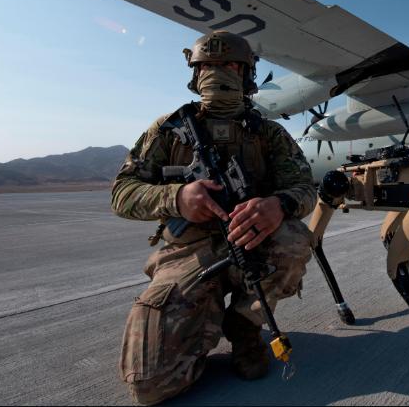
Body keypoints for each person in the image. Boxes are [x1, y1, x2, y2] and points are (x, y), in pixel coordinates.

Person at [111, 31, 317, 405]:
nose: (219, 73)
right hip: (188, 250)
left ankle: (244, 326)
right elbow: (122, 193)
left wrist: (279, 204)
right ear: (195, 72)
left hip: (251, 239)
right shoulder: (169, 129)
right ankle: (199, 321)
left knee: (294, 238)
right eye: (208, 65)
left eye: (230, 65)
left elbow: (305, 188)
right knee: (149, 385)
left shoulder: (268, 133)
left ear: (246, 74)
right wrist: (175, 197)